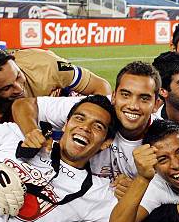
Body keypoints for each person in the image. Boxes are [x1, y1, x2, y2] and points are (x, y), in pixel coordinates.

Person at [11, 62, 162, 187]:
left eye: (144, 98)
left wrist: (138, 187)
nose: (132, 105)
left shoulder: (163, 140)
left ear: (156, 104)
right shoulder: (93, 110)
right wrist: (32, 131)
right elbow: (23, 105)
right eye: (125, 95)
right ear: (114, 96)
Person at [0, 47, 111, 128]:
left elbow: (101, 86)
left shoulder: (47, 66)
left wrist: (90, 125)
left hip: (61, 124)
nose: (19, 89)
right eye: (7, 88)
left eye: (18, 76)